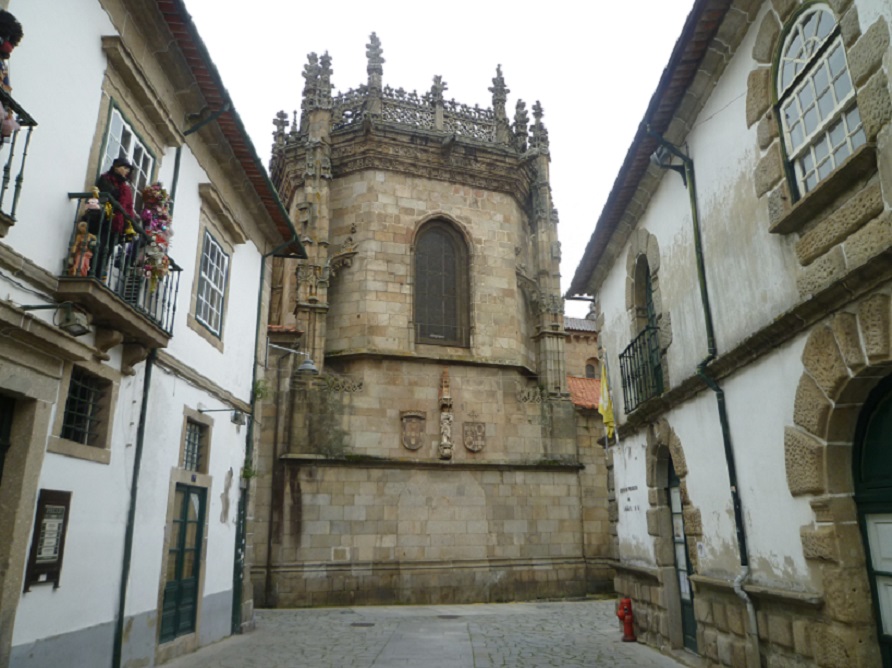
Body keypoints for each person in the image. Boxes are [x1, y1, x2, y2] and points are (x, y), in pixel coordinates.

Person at [92, 158, 136, 279]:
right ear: (116, 167)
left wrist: (128, 224)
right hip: (104, 219)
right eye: (124, 167)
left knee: (108, 250)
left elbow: (129, 207)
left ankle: (100, 274)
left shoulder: (125, 188)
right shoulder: (106, 179)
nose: (126, 171)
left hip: (116, 224)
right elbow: (109, 195)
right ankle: (93, 272)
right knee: (100, 247)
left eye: (128, 169)